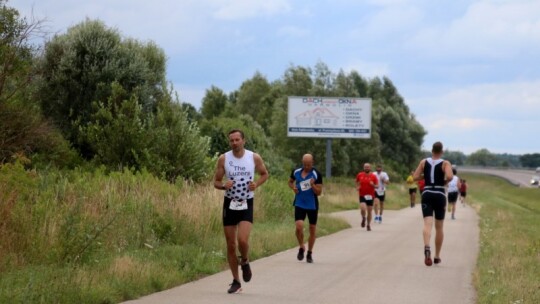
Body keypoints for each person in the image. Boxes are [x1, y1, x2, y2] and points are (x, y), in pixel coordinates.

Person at [213, 129, 269, 294]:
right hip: (230, 203)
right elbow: (216, 182)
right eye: (232, 140)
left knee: (242, 241)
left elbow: (265, 174)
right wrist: (224, 185)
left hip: (246, 202)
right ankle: (236, 281)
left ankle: (244, 261)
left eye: (237, 140)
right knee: (231, 245)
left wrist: (256, 184)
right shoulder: (224, 158)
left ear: (243, 140)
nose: (235, 143)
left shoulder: (253, 157)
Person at [413, 141, 453, 267]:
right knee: (439, 226)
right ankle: (437, 256)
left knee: (427, 223)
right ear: (442, 152)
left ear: (432, 151)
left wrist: (425, 178)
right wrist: (444, 181)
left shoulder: (423, 162)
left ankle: (426, 247)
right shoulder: (445, 163)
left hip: (427, 192)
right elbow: (450, 176)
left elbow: (415, 177)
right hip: (439, 193)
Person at [288, 154, 323, 263]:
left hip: (312, 204)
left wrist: (313, 185)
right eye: (305, 164)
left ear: (312, 162)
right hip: (299, 202)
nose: (307, 167)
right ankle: (302, 246)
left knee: (312, 229)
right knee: (299, 226)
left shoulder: (317, 174)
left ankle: (309, 253)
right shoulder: (296, 171)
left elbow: (319, 192)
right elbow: (290, 182)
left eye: (309, 164)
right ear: (302, 162)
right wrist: (293, 188)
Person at [355, 163, 378, 231]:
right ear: (363, 168)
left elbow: (377, 186)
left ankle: (368, 225)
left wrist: (373, 185)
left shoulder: (373, 176)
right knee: (363, 208)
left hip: (371, 196)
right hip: (362, 195)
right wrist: (357, 187)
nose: (366, 168)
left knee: (370, 211)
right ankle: (363, 218)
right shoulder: (360, 175)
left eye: (368, 167)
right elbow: (356, 182)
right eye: (365, 167)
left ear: (370, 168)